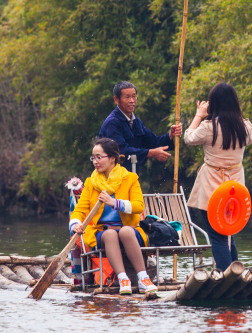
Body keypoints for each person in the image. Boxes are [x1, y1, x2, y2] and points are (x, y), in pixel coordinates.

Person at [70, 138, 157, 296]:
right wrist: (75, 224)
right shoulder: (91, 183)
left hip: (130, 230)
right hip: (102, 232)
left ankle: (144, 278)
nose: (95, 161)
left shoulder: (130, 179)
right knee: (110, 234)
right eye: (93, 157)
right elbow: (79, 211)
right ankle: (123, 279)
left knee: (125, 232)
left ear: (112, 158)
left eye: (99, 157)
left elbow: (139, 206)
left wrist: (114, 203)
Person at [184, 82, 252, 271]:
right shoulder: (246, 126)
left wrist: (199, 114)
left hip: (212, 187)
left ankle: (227, 276)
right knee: (229, 233)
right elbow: (251, 139)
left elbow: (188, 137)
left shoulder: (209, 127)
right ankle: (235, 273)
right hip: (235, 188)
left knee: (217, 237)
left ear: (213, 103)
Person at [99, 81, 183, 169]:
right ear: (116, 99)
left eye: (134, 96)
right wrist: (150, 153)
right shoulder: (112, 122)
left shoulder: (135, 120)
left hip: (131, 175)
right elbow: (122, 151)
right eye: (127, 97)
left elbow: (152, 141)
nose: (131, 101)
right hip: (113, 177)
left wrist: (170, 135)